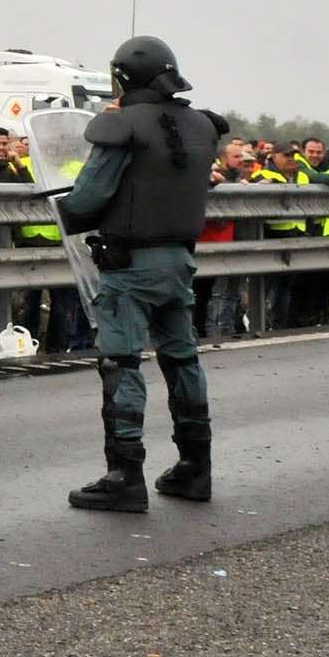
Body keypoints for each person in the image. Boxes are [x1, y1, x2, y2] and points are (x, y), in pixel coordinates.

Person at [58, 36, 225, 513]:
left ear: (122, 77)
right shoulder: (200, 124)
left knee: (121, 363)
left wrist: (67, 210)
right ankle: (196, 469)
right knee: (181, 358)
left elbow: (88, 198)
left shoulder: (120, 126)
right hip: (179, 260)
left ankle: (124, 475)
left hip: (129, 264)